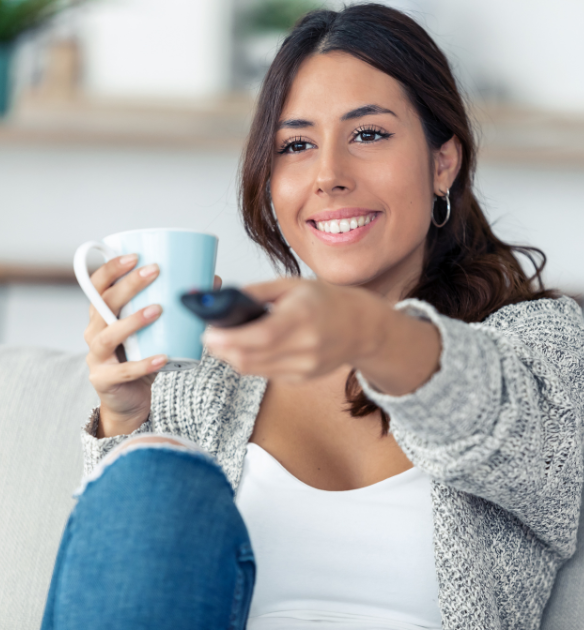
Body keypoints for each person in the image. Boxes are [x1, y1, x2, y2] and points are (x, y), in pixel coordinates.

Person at [41, 4, 584, 630]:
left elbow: (495, 420)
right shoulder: (209, 375)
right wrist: (128, 419)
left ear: (443, 162)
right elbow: (136, 590)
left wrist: (367, 329)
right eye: (296, 145)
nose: (328, 175)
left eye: (369, 134)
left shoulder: (536, 345)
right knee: (154, 476)